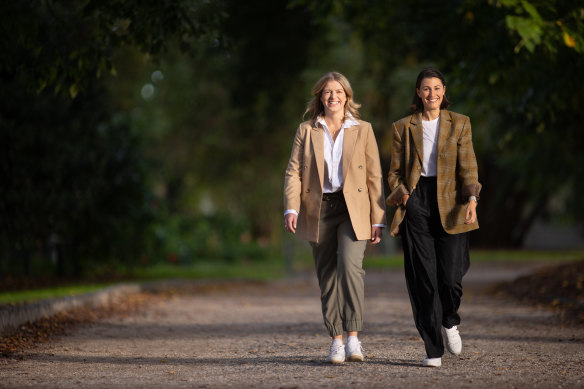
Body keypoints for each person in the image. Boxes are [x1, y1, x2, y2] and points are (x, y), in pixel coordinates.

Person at [283, 71, 386, 364]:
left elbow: (374, 175)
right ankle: (336, 340)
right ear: (320, 97)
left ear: (347, 96)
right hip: (319, 209)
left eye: (339, 92)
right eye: (327, 92)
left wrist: (378, 217)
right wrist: (292, 207)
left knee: (350, 267)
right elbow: (293, 171)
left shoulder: (363, 129)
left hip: (353, 208)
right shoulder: (306, 130)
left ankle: (354, 337)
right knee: (327, 275)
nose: (333, 97)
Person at [386, 67, 481, 367]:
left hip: (452, 199)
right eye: (426, 88)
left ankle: (450, 319)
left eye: (437, 88)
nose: (432, 94)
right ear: (418, 92)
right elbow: (395, 172)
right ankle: (432, 348)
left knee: (451, 277)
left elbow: (468, 166)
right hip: (417, 201)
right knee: (423, 278)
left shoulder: (460, 123)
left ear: (444, 90)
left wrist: (472, 199)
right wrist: (403, 194)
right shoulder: (403, 127)